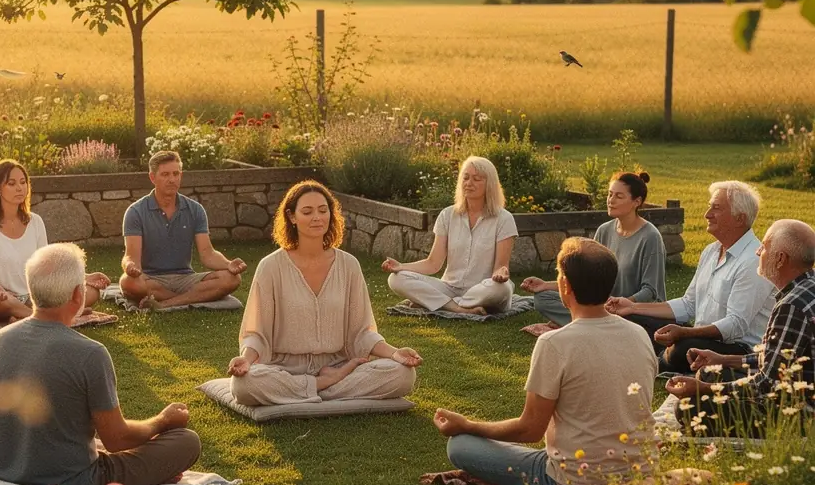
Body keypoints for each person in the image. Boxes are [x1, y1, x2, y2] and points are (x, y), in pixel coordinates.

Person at [432, 238, 658, 485]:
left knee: (460, 446)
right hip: (640, 473)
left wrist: (468, 425)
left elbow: (530, 429)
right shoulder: (638, 333)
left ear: (565, 286)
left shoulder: (554, 343)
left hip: (571, 481)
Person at [0, 243, 201, 485]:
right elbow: (118, 440)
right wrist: (163, 421)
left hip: (1, 476)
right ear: (78, 295)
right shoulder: (90, 353)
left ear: (32, 293)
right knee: (186, 441)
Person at [228, 181, 422, 405]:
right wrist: (246, 360)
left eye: (323, 210)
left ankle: (306, 390)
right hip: (285, 368)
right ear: (292, 217)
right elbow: (257, 334)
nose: (317, 218)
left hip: (338, 364)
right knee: (245, 384)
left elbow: (362, 333)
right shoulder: (270, 267)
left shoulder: (349, 265)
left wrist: (395, 353)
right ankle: (325, 386)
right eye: (307, 212)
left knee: (403, 375)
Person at [663, 219, 815, 434]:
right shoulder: (808, 288)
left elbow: (767, 385)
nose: (758, 252)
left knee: (691, 408)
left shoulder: (792, 305)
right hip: (792, 391)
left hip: (799, 414)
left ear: (780, 259)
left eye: (764, 246)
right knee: (713, 372)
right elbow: (777, 359)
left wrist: (705, 390)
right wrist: (723, 359)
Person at [610, 181, 776, 374]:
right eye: (709, 207)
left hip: (736, 349)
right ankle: (656, 356)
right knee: (631, 318)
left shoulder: (752, 261)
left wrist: (683, 333)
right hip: (700, 337)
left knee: (682, 349)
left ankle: (653, 359)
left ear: (739, 219)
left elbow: (735, 325)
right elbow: (689, 304)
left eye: (716, 208)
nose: (707, 214)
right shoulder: (711, 251)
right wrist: (632, 306)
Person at [0, 159, 110, 324]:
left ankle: (27, 316)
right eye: (12, 183)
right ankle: (46, 318)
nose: (20, 188)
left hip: (31, 297)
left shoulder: (35, 222)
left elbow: (47, 265)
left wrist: (83, 278)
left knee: (90, 292)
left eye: (23, 182)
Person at [522, 171, 666, 327]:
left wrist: (626, 304)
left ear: (636, 201)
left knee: (620, 318)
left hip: (633, 312)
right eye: (610, 194)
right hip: (603, 308)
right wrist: (545, 285)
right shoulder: (604, 231)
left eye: (619, 196)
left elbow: (651, 292)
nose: (611, 201)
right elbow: (585, 277)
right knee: (543, 298)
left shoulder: (650, 237)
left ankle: (587, 323)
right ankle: (595, 323)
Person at [382, 156, 517, 315]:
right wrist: (401, 266)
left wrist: (501, 273)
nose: (468, 183)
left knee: (501, 290)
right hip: (449, 288)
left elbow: (500, 267)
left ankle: (432, 302)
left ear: (490, 184)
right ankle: (456, 308)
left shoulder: (504, 219)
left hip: (483, 289)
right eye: (465, 178)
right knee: (396, 278)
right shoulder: (447, 215)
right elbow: (433, 263)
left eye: (476, 179)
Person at [120, 150, 246, 311]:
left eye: (175, 174)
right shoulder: (135, 211)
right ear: (152, 177)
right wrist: (130, 267)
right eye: (165, 174)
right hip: (151, 279)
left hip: (185, 278)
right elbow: (131, 256)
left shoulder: (195, 209)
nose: (172, 179)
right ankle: (191, 298)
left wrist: (229, 264)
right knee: (128, 283)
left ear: (181, 175)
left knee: (231, 278)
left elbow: (208, 253)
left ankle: (166, 304)